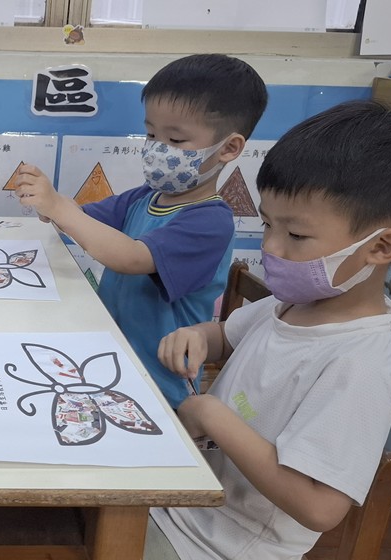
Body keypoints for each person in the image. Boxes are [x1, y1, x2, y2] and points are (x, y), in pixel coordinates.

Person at [152, 100, 391, 560]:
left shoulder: (359, 363)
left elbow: (320, 507)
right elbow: (225, 337)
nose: (270, 247)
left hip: (217, 556)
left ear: (380, 246)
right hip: (178, 502)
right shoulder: (291, 304)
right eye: (268, 224)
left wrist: (212, 415)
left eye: (295, 235)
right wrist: (195, 337)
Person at [15, 54, 267, 409]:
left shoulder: (210, 222)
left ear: (228, 148)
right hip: (110, 359)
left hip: (157, 382)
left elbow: (131, 258)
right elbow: (83, 220)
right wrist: (51, 206)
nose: (158, 148)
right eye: (151, 134)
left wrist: (60, 209)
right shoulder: (145, 197)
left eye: (175, 139)